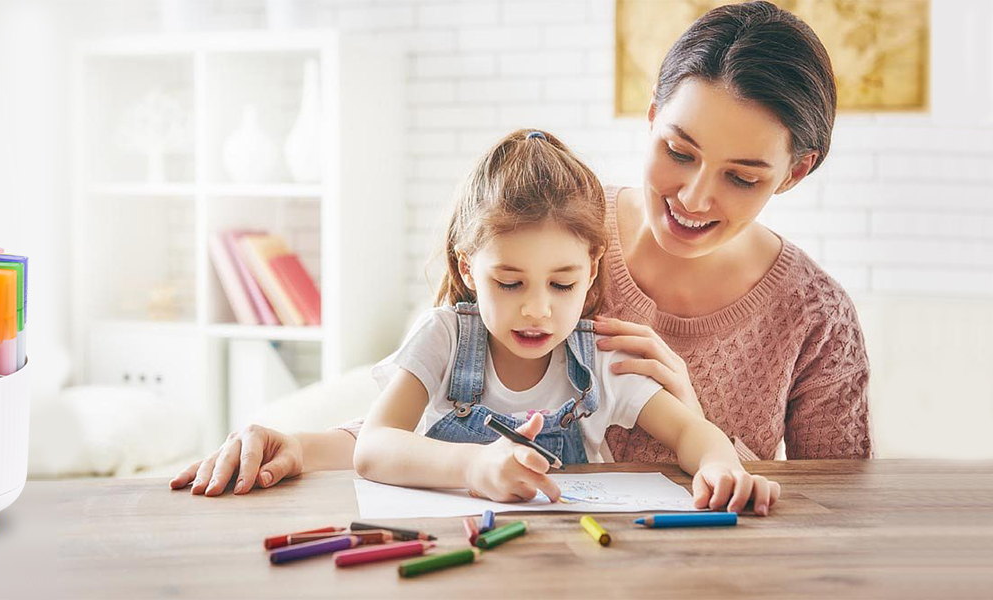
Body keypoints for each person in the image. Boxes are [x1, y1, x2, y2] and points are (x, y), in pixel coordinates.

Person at [171, 1, 869, 499]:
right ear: (652, 117)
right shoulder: (555, 228)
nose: (692, 196)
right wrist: (300, 445)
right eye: (677, 151)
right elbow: (437, 408)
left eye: (742, 177)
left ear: (796, 171)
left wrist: (708, 432)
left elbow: (842, 509)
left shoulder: (817, 319)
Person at [352, 129, 778, 514]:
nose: (537, 309)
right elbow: (374, 446)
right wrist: (475, 466)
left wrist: (720, 465)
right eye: (509, 283)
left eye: (561, 285)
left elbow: (690, 432)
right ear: (468, 269)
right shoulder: (443, 338)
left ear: (591, 271)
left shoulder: (599, 360)